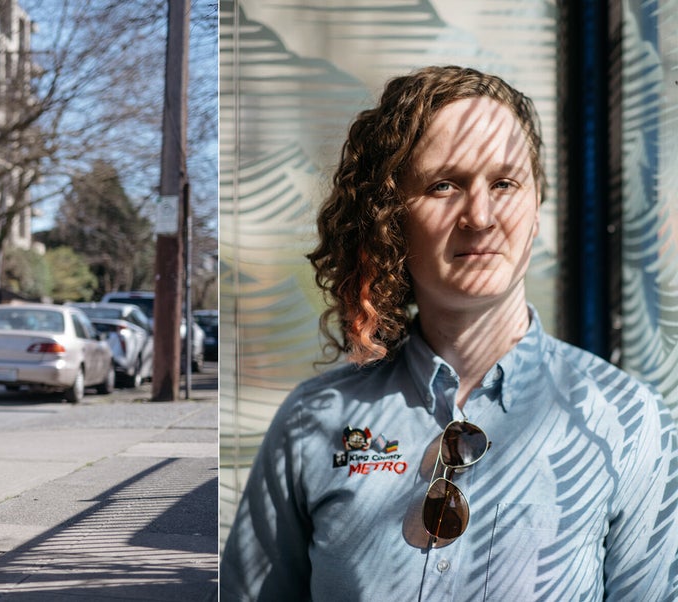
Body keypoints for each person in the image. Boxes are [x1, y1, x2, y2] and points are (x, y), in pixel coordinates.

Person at [220, 66, 678, 600]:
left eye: (504, 183)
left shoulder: (627, 420)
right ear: (390, 218)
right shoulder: (313, 421)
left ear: (535, 209)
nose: (480, 216)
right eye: (444, 185)